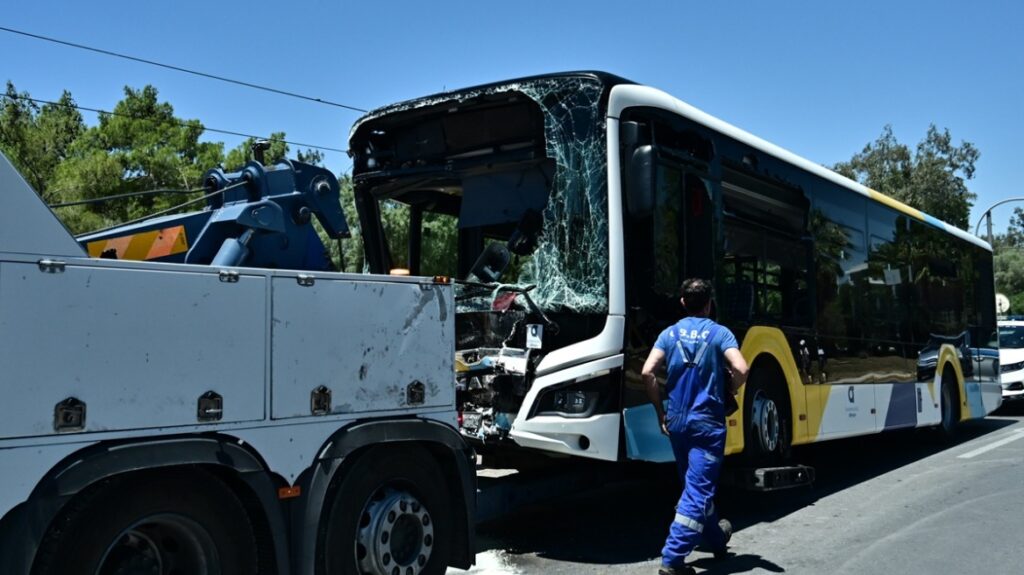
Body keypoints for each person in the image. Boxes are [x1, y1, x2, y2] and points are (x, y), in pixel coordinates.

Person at [641, 278, 749, 575]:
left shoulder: (669, 334)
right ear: (709, 303)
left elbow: (648, 372)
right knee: (697, 491)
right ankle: (672, 558)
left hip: (677, 421)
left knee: (695, 486)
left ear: (682, 303)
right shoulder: (719, 333)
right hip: (707, 424)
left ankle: (716, 539)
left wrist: (659, 411)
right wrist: (733, 389)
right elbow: (741, 368)